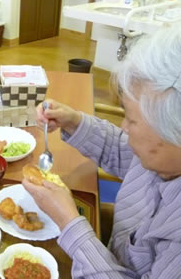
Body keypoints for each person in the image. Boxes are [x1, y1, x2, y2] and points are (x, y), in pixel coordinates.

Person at [23, 26, 181, 277]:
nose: (124, 128)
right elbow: (124, 151)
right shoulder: (161, 157)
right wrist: (73, 120)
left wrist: (70, 223)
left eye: (132, 119)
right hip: (110, 245)